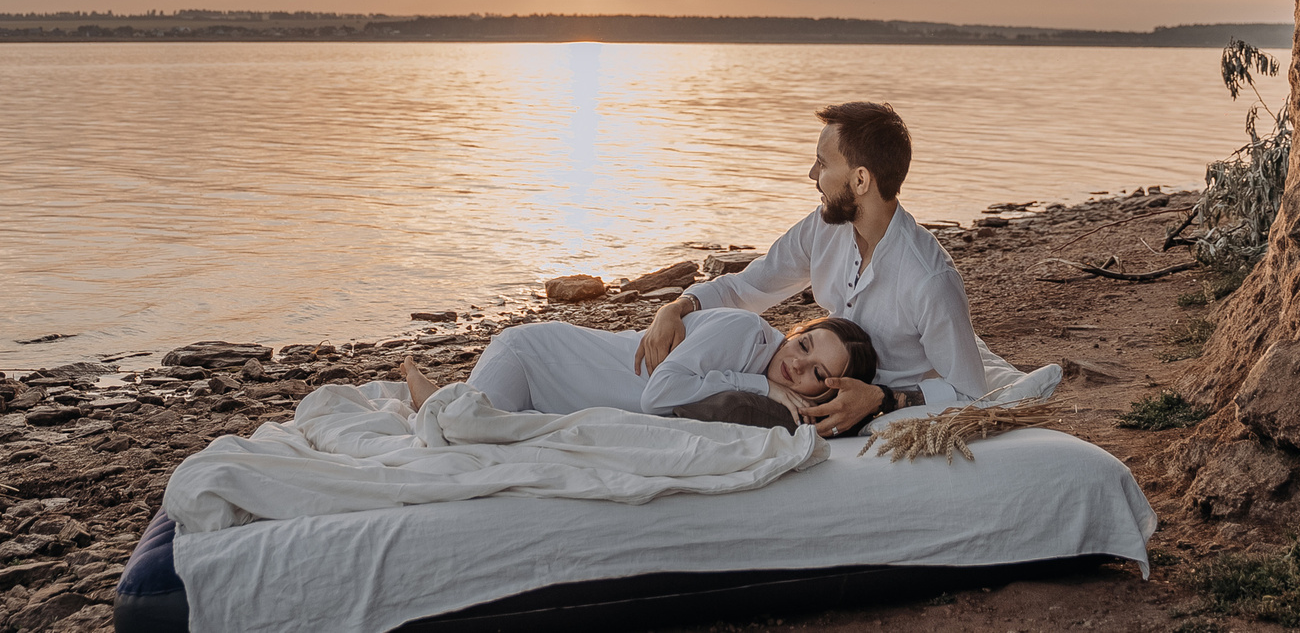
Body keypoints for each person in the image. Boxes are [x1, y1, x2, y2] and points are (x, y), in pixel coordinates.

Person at [634, 101, 1005, 438]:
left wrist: (881, 399)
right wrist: (678, 307)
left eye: (823, 164)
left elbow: (971, 392)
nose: (812, 174)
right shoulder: (826, 227)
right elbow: (749, 287)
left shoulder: (929, 281)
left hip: (861, 410)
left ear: (860, 180)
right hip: (804, 391)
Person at [402, 310, 876, 423]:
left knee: (487, 427)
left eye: (817, 372)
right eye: (806, 344)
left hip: (554, 398)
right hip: (534, 359)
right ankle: (435, 395)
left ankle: (453, 391)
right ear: (796, 331)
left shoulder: (769, 380)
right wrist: (760, 386)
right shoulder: (746, 333)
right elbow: (658, 394)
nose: (798, 364)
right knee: (462, 426)